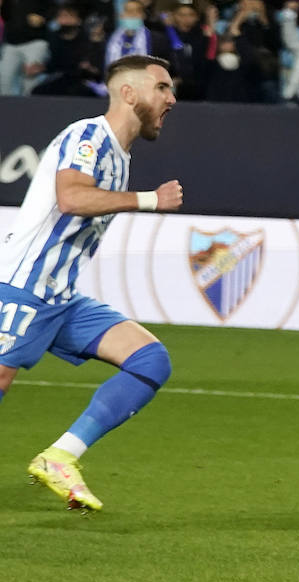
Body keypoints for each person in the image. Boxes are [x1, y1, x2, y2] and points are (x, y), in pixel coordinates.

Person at [0, 55, 180, 512]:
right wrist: (149, 201)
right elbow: (72, 197)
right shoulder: (89, 136)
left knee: (149, 360)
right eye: (161, 87)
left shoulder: (121, 155)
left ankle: (61, 456)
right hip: (23, 283)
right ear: (128, 92)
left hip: (60, 295)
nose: (171, 98)